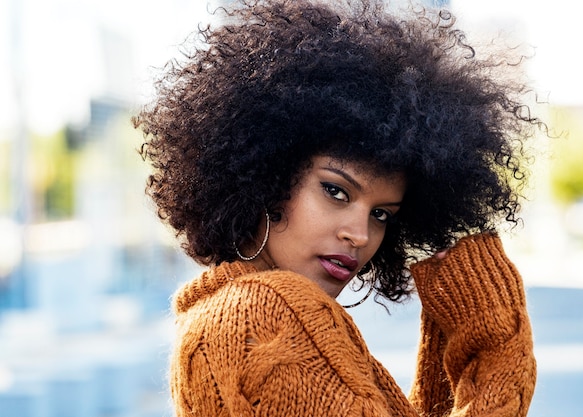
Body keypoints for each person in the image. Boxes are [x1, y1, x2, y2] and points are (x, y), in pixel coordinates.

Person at [133, 0, 542, 416]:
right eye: (336, 192)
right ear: (266, 175)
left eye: (381, 214)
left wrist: (452, 336)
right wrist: (496, 344)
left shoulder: (223, 313)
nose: (360, 235)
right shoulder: (266, 313)